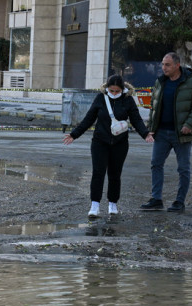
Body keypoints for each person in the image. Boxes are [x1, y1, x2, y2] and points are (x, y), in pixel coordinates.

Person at [63, 75, 154, 219]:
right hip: (100, 142)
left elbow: (136, 119)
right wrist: (74, 135)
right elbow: (89, 119)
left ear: (123, 89)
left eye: (118, 91)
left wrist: (145, 134)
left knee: (115, 174)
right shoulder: (100, 98)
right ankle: (94, 205)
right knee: (98, 173)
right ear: (107, 88)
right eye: (112, 90)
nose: (114, 93)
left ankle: (113, 204)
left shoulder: (128, 100)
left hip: (120, 143)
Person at [141, 52, 192, 213]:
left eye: (167, 65)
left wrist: (189, 124)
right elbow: (154, 107)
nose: (164, 68)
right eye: (163, 64)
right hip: (161, 133)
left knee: (183, 168)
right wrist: (151, 128)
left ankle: (179, 201)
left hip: (181, 134)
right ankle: (156, 199)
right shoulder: (160, 82)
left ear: (177, 65)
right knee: (156, 164)